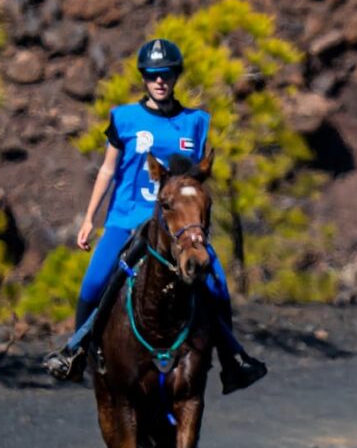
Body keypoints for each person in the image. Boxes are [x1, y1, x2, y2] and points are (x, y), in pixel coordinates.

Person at [42, 39, 267, 394]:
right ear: (143, 78)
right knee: (93, 283)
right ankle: (76, 353)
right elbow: (106, 170)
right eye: (151, 75)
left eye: (165, 74)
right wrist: (89, 218)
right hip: (127, 218)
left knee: (218, 286)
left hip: (176, 226)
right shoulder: (125, 118)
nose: (159, 81)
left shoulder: (195, 122)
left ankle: (232, 361)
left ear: (175, 76)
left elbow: (195, 182)